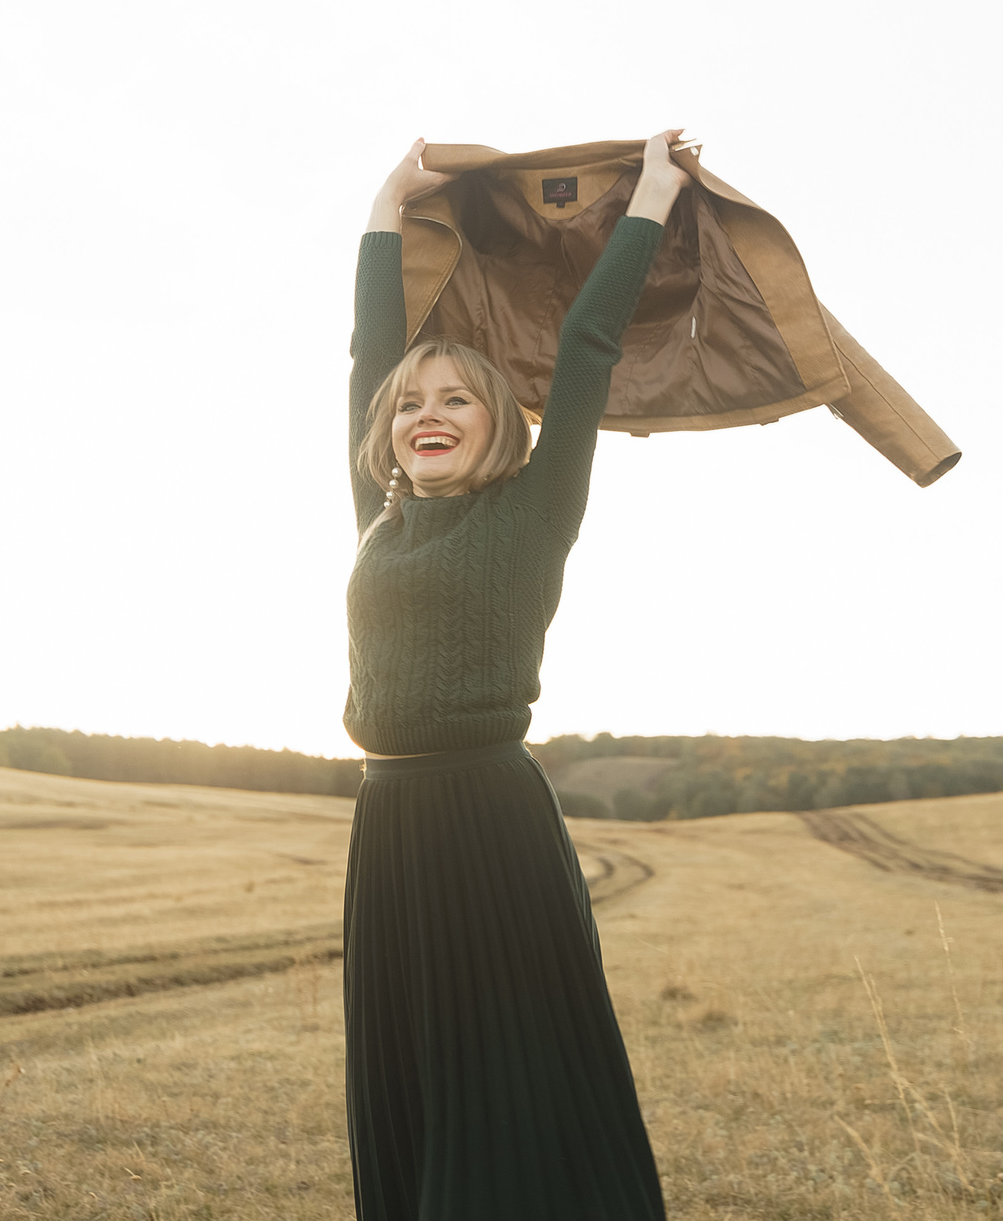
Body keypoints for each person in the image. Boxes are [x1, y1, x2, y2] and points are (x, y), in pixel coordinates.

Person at [340, 130, 689, 1221]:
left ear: (500, 430)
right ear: (385, 436)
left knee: (512, 1073)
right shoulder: (378, 525)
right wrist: (384, 208)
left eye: (456, 401)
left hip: (491, 819)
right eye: (409, 405)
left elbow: (586, 350)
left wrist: (656, 201)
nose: (426, 414)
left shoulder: (532, 514)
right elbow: (368, 351)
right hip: (388, 825)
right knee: (413, 1074)